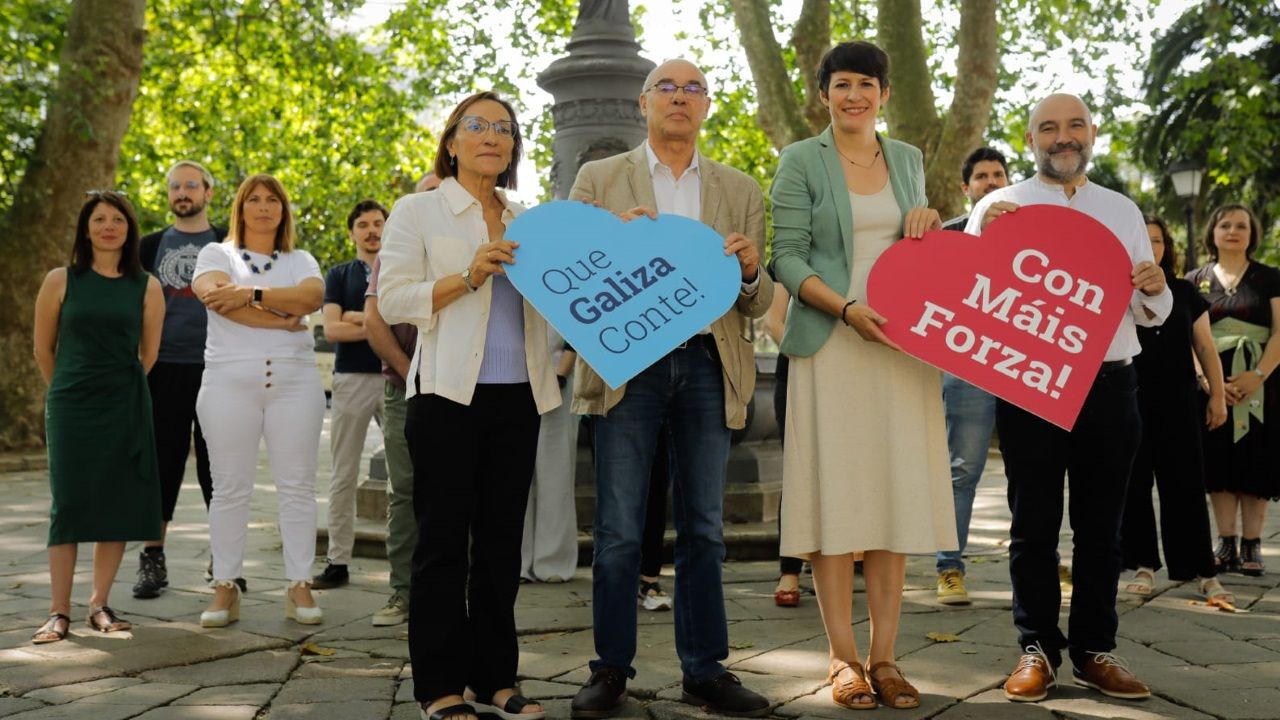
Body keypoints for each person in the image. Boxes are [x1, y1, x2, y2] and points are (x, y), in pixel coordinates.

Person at [567, 58, 774, 720]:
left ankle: (706, 670)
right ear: (644, 102)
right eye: (667, 87)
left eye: (693, 88)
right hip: (630, 364)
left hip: (709, 364)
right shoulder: (599, 179)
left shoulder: (740, 188)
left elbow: (760, 298)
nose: (680, 98)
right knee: (620, 528)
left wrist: (747, 271)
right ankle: (609, 671)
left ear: (707, 106)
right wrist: (605, 247)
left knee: (706, 530)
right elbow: (567, 277)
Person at [966, 93, 1171, 703]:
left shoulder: (1122, 209)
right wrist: (987, 247)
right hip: (1030, 383)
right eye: (1049, 128)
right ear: (1031, 139)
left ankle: (1094, 650)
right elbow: (970, 298)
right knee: (1032, 527)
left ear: (1092, 133)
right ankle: (1036, 648)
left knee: (1102, 529)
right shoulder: (999, 208)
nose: (1063, 137)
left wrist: (1154, 287)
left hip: (1111, 383)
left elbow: (1148, 311)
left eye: (1074, 125)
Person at [771, 41, 955, 711]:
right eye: (841, 84)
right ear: (824, 94)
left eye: (866, 84)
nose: (854, 95)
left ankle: (886, 657)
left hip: (905, 350)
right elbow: (785, 257)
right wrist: (845, 309)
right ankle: (842, 659)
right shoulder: (800, 159)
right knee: (838, 501)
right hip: (834, 344)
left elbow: (923, 243)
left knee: (894, 497)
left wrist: (929, 222)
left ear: (884, 93)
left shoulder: (906, 158)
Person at [378, 91, 560, 720]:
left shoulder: (529, 218)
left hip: (520, 398)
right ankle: (440, 687)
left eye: (505, 129)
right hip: (447, 398)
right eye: (477, 126)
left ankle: (495, 678)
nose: (493, 137)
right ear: (451, 141)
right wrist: (470, 275)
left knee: (503, 546)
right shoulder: (419, 209)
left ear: (513, 148)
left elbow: (568, 297)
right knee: (442, 546)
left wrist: (617, 244)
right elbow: (396, 300)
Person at [192, 174, 327, 628]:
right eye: (255, 199)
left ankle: (299, 584)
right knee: (230, 489)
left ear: (284, 209)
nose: (264, 207)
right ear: (240, 207)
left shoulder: (300, 258)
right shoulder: (217, 253)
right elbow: (214, 297)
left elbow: (312, 296)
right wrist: (283, 319)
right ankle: (225, 587)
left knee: (297, 487)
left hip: (295, 383)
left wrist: (249, 294)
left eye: (273, 200)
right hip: (229, 381)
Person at [31, 190, 165, 642]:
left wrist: (117, 388)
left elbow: (148, 354)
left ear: (129, 230)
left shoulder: (147, 286)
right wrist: (66, 388)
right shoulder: (59, 280)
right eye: (100, 219)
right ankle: (57, 611)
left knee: (116, 501)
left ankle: (98, 604)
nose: (109, 226)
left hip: (124, 404)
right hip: (70, 404)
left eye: (118, 220)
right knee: (67, 505)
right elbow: (42, 348)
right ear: (85, 228)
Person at [1120, 215, 1231, 603]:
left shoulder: (1184, 292)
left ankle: (1201, 568)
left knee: (1185, 484)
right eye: (1143, 239)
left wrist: (1217, 396)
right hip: (1128, 398)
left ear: (1166, 247)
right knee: (1134, 485)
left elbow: (1205, 348)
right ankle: (1143, 565)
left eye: (1158, 240)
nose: (1151, 247)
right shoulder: (1113, 288)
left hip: (1180, 400)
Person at [133, 160, 230, 599]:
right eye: (175, 186)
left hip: (219, 367)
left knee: (220, 468)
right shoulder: (149, 246)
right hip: (163, 368)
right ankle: (152, 557)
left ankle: (224, 559)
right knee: (161, 466)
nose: (182, 192)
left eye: (191, 185)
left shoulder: (229, 242)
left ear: (208, 192)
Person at [1185, 204, 1280, 577]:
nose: (1233, 231)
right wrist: (1210, 384)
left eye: (1241, 225)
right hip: (1212, 385)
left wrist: (1257, 375)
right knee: (1219, 458)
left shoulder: (1270, 278)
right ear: (1213, 232)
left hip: (1263, 383)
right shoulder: (1196, 280)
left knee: (1257, 458)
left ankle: (1252, 543)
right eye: (1225, 225)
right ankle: (1225, 542)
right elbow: (1188, 337)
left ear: (1252, 234)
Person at [362, 173, 440, 627]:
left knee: (457, 492)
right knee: (404, 491)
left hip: (462, 388)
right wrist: (412, 372)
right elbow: (375, 323)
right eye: (424, 196)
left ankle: (452, 591)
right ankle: (402, 593)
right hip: (402, 387)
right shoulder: (393, 252)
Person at [936, 147, 1010, 605]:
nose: (990, 181)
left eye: (998, 174)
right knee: (961, 470)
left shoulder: (1036, 233)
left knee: (1036, 471)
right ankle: (949, 567)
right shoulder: (947, 236)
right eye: (981, 176)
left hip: (1027, 371)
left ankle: (1046, 565)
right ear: (967, 188)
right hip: (965, 370)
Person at [313, 199, 389, 590]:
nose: (372, 230)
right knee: (343, 474)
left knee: (406, 476)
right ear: (352, 232)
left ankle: (407, 564)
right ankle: (338, 561)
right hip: (351, 380)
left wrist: (357, 317)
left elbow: (410, 322)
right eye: (363, 225)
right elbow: (332, 331)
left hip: (396, 378)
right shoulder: (339, 274)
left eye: (378, 223)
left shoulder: (401, 270)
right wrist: (378, 322)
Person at [521, 328, 580, 584]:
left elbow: (578, 330)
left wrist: (561, 374)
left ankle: (554, 560)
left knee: (557, 469)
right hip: (511, 373)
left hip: (558, 371)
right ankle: (516, 560)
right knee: (511, 473)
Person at [765, 284, 805, 607]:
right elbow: (773, 323)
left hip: (849, 382)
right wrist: (809, 361)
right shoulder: (789, 253)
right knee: (797, 475)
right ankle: (789, 571)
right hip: (795, 374)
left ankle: (845, 562)